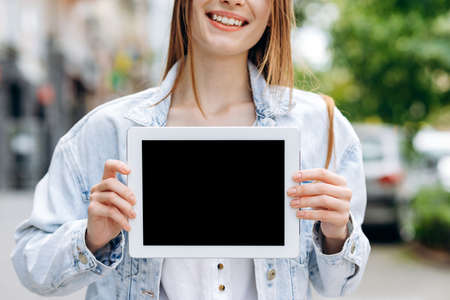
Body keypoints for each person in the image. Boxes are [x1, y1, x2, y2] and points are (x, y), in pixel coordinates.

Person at [11, 0, 371, 299]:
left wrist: (337, 233)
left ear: (276, 9)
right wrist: (91, 238)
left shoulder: (320, 126)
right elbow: (31, 265)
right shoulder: (106, 130)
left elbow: (337, 285)